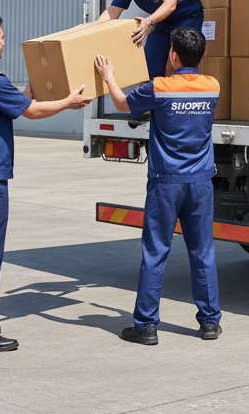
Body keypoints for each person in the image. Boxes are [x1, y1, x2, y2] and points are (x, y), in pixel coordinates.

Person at [0, 13, 93, 352]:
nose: (3, 41)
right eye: (0, 36)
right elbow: (32, 112)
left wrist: (29, 91)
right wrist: (69, 102)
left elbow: (12, 103)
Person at [94, 27, 222, 343]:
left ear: (173, 55)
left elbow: (124, 103)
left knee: (156, 252)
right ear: (201, 55)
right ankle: (209, 323)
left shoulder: (160, 88)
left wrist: (109, 75)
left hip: (166, 182)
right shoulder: (212, 87)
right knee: (202, 251)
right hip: (201, 182)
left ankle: (146, 326)